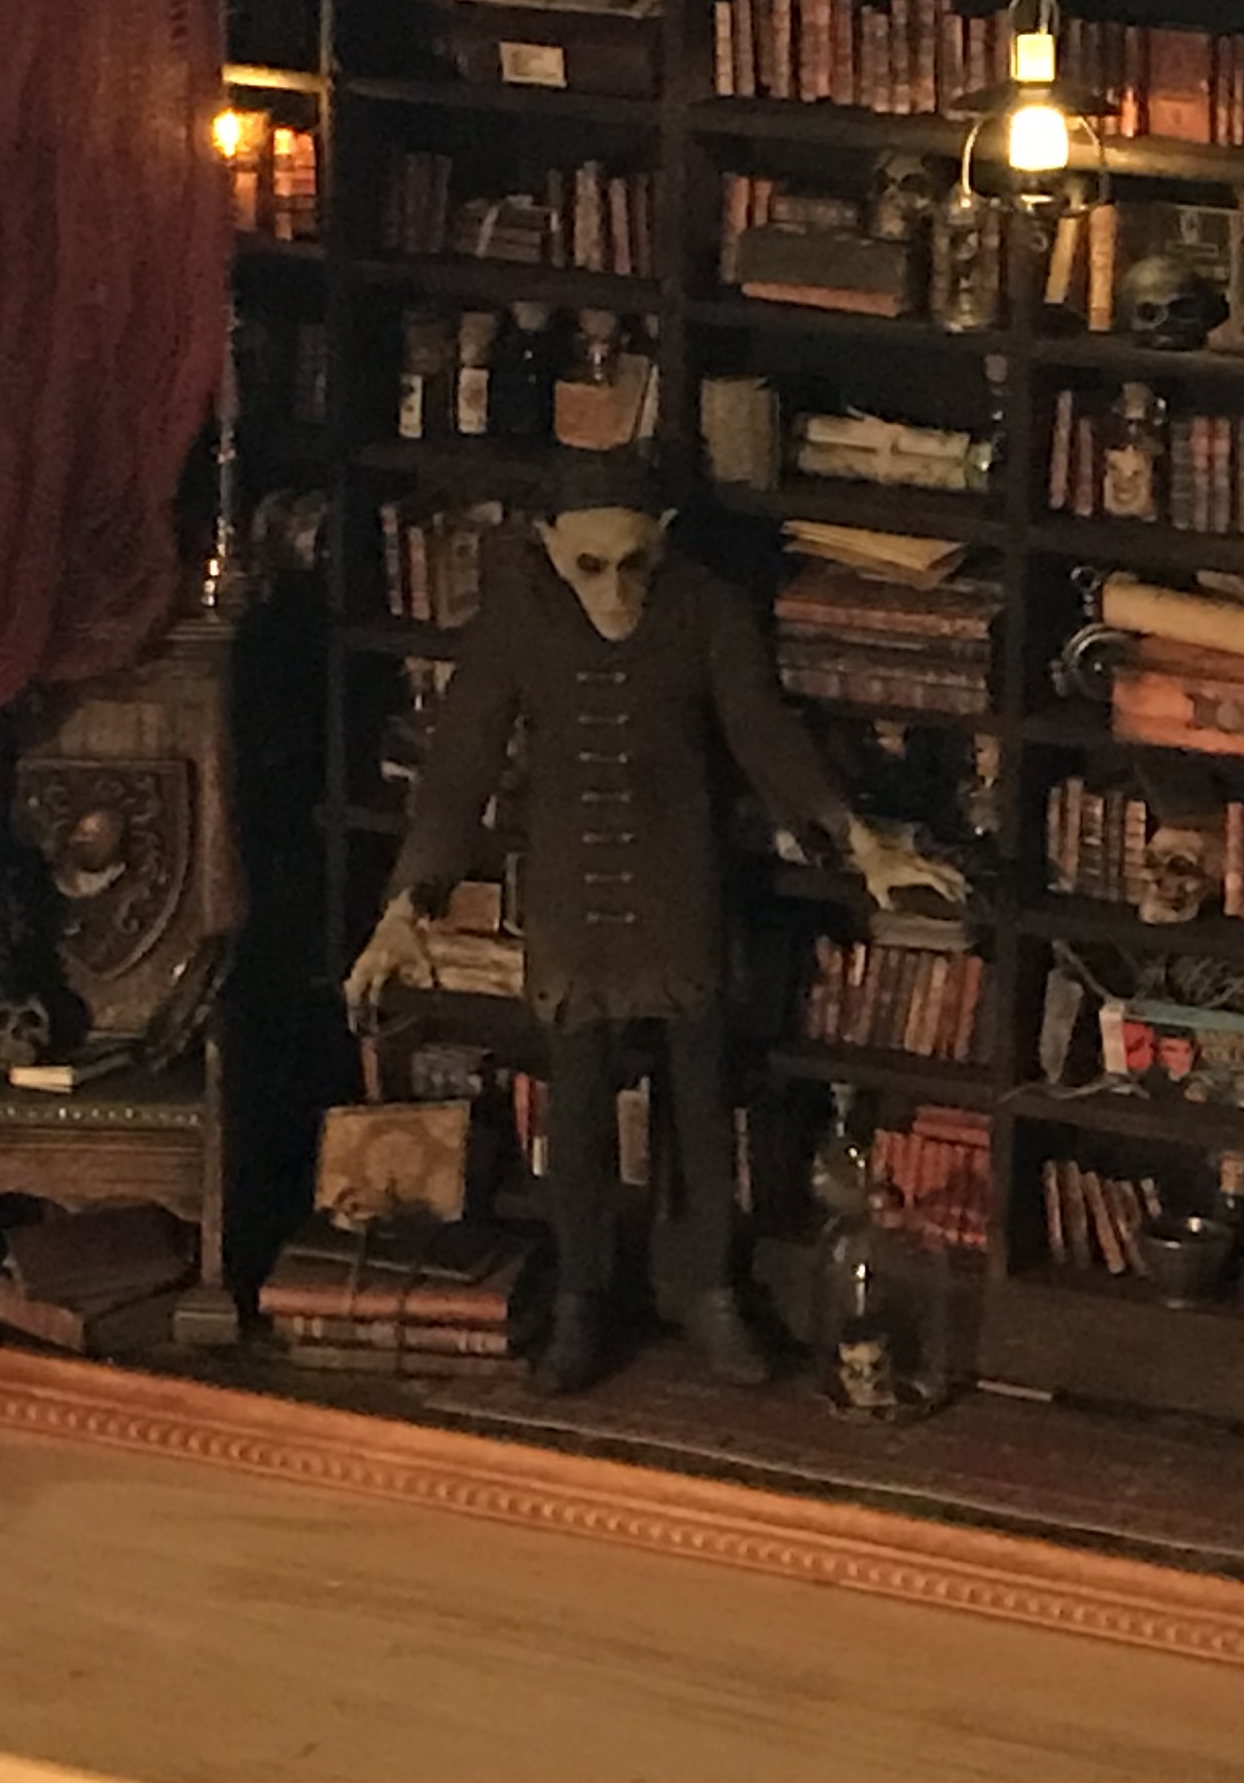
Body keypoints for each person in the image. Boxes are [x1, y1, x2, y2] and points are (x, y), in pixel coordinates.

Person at [343, 450, 955, 1390]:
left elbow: (761, 729)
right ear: (550, 546)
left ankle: (712, 1290)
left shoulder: (707, 609)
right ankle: (581, 1300)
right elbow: (461, 760)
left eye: (634, 564)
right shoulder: (516, 619)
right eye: (591, 568)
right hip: (570, 897)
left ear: (663, 542)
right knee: (577, 1108)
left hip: (678, 886)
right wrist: (407, 904)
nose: (616, 591)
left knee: (702, 1106)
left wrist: (855, 838)